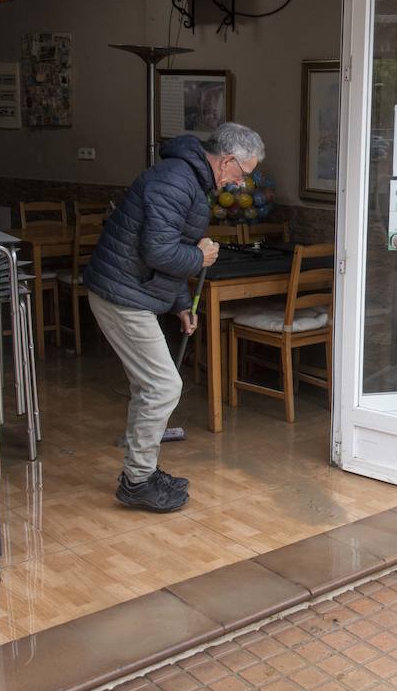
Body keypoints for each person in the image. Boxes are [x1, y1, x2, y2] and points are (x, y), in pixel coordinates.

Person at [84, 123, 265, 512]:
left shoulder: (188, 178)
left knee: (151, 386)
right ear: (228, 160)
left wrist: (182, 303)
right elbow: (159, 252)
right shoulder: (175, 180)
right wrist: (202, 258)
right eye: (242, 174)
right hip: (121, 294)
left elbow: (170, 249)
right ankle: (136, 481)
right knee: (163, 387)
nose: (240, 184)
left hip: (133, 290)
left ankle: (143, 471)